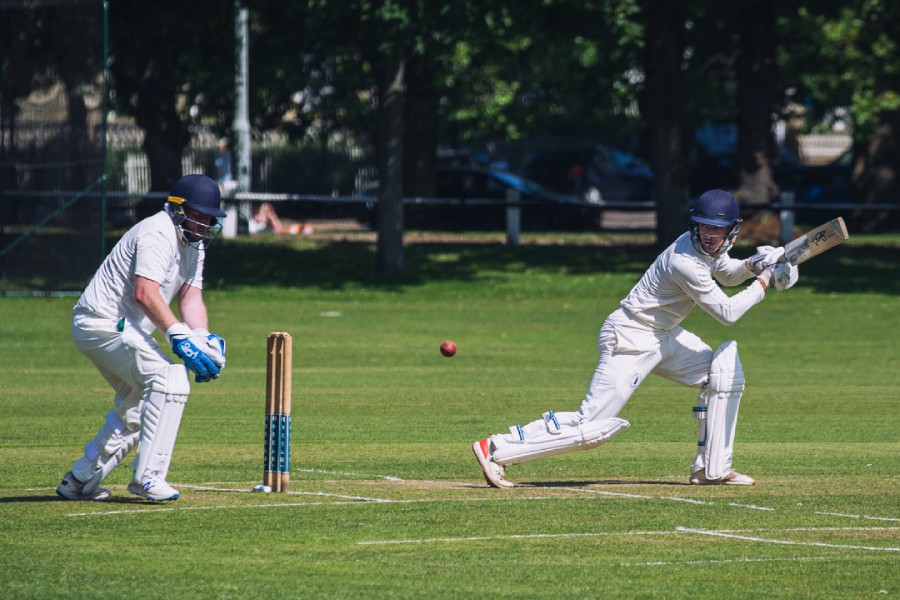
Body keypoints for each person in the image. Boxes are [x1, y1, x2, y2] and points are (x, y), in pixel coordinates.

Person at [472, 189, 799, 488]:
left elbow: (727, 274)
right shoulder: (685, 261)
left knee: (721, 375)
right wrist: (765, 280)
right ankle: (497, 448)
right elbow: (728, 313)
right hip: (631, 336)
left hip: (664, 336)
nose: (710, 236)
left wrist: (755, 264)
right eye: (704, 228)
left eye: (717, 230)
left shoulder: (709, 250)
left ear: (732, 232)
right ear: (695, 225)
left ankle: (710, 469)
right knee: (592, 427)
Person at [56, 174, 228, 502]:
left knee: (137, 408)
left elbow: (190, 297)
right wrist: (179, 337)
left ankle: (79, 480)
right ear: (178, 209)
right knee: (170, 379)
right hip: (102, 322)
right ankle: (148, 477)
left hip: (119, 327)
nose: (205, 224)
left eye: (210, 218)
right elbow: (145, 293)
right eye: (199, 215)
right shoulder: (157, 232)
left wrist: (203, 338)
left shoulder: (193, 243)